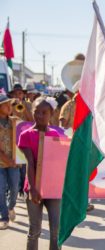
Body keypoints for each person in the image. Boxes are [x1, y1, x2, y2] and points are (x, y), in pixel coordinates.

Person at [18, 96, 62, 250]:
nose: (40, 116)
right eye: (37, 112)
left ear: (51, 114)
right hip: (33, 187)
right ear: (32, 112)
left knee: (56, 230)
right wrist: (33, 188)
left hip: (53, 189)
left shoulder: (56, 136)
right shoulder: (26, 135)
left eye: (44, 112)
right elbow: (31, 163)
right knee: (35, 230)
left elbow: (58, 163)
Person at [0, 94, 19, 230]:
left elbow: (28, 128)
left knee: (14, 189)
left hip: (14, 162)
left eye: (9, 104)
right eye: (6, 104)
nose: (9, 106)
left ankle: (11, 206)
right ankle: (4, 217)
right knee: (0, 191)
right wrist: (8, 161)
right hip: (1, 163)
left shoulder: (15, 121)